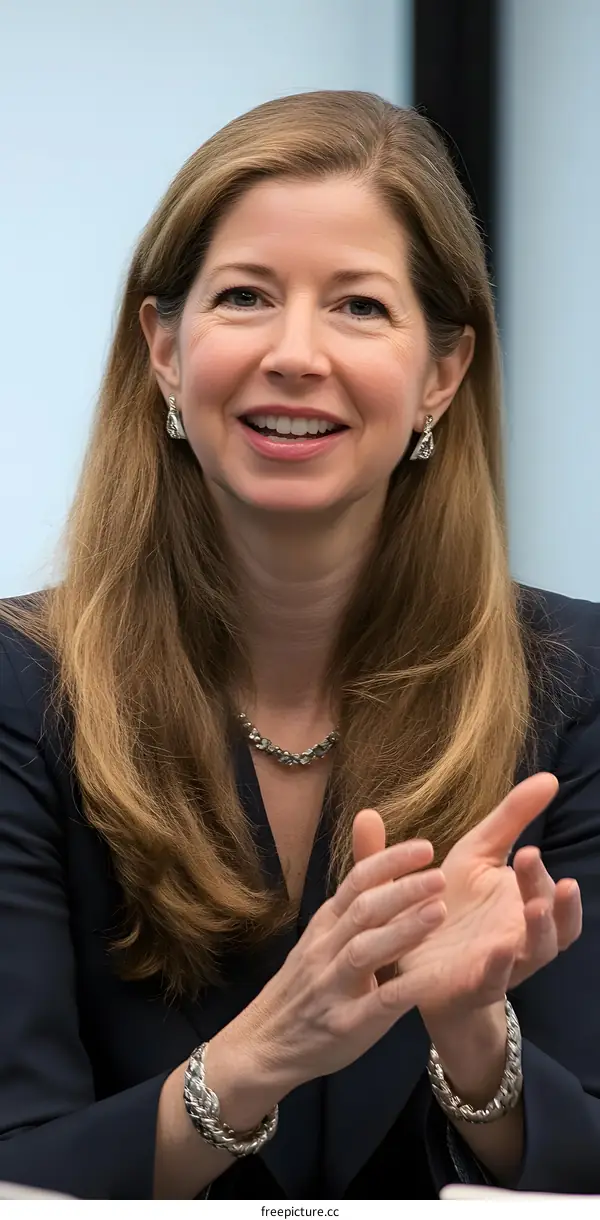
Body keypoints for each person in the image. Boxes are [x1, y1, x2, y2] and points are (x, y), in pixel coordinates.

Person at [0, 90, 598, 1202]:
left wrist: (474, 1034)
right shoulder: (19, 684)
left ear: (443, 373)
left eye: (360, 307)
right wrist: (253, 1059)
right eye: (244, 297)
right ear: (165, 351)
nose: (294, 353)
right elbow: (14, 1160)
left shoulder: (577, 684)